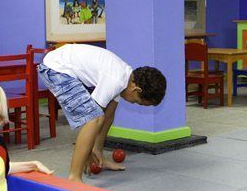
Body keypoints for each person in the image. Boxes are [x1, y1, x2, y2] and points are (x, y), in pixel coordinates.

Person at [39, 44, 166, 182]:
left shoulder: (126, 78)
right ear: (137, 90)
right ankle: (74, 177)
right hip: (55, 69)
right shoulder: (116, 80)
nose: (134, 104)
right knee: (94, 118)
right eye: (137, 102)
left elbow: (109, 115)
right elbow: (92, 119)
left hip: (66, 67)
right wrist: (87, 154)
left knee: (100, 116)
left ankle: (96, 155)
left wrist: (97, 150)